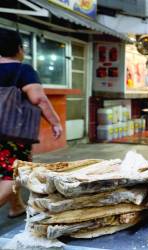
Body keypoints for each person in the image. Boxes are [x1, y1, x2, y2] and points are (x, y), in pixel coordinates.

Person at [0, 29, 62, 218]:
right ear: (19, 48)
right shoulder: (22, 70)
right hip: (10, 132)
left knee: (8, 170)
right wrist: (55, 122)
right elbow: (38, 99)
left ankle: (16, 205)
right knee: (15, 174)